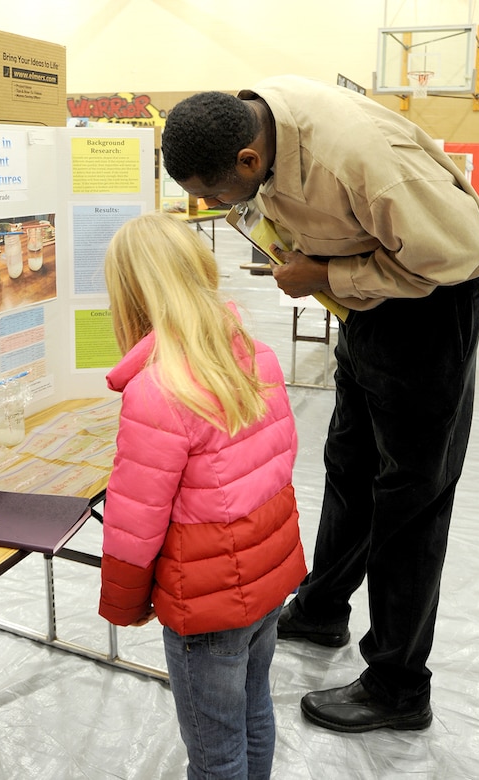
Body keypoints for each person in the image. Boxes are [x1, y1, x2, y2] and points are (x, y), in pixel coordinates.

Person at [160, 75, 479, 734]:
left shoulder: (365, 164)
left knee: (411, 494)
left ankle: (398, 686)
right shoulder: (253, 119)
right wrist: (324, 272)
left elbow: (460, 254)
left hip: (431, 305)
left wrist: (325, 275)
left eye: (216, 194)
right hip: (366, 305)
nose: (217, 207)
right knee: (349, 461)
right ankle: (320, 608)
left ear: (249, 161)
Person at [98, 211, 307, 779]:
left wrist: (123, 603)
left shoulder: (157, 389)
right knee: (253, 711)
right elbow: (279, 462)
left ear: (131, 295)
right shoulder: (253, 353)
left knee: (216, 754)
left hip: (208, 604)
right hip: (268, 580)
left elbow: (133, 523)